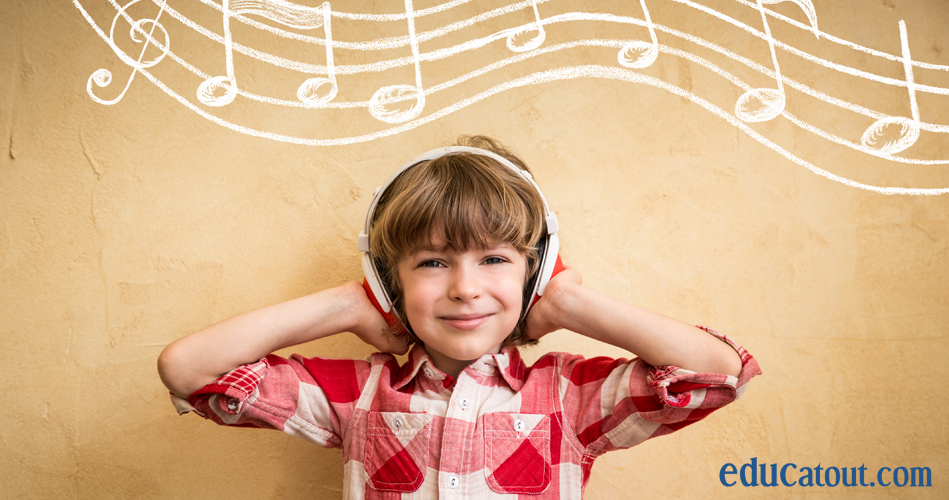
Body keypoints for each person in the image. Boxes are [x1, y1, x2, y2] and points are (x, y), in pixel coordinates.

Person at [158, 135, 761, 499]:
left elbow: (719, 373)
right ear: (389, 281)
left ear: (536, 271)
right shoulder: (359, 393)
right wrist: (346, 304)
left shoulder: (567, 397)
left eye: (495, 259)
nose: (466, 288)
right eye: (432, 263)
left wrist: (571, 304)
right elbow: (187, 369)